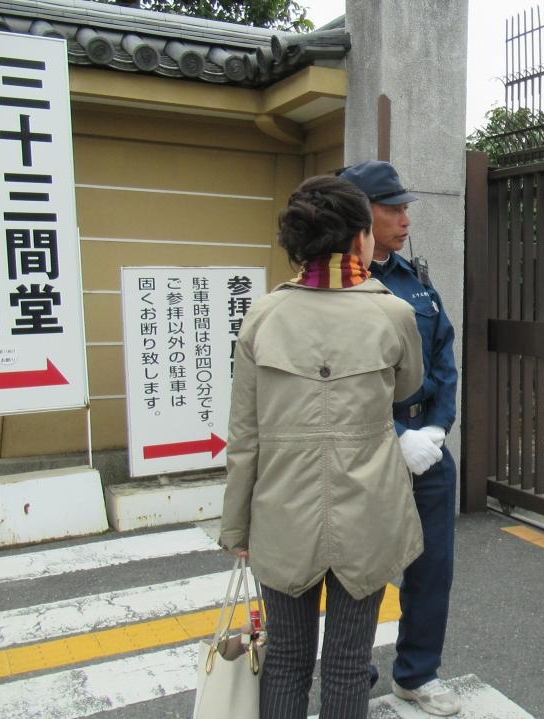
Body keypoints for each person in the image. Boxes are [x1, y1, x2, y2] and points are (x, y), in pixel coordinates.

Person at [219, 175, 425, 719]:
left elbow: (245, 436)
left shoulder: (262, 317)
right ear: (360, 238)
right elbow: (408, 388)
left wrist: (237, 528)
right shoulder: (394, 313)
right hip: (368, 511)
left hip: (282, 514)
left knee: (287, 661)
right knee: (348, 663)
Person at [339, 160, 461, 717]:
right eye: (392, 208)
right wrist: (396, 436)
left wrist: (435, 427)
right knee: (360, 569)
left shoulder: (415, 279)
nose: (405, 218)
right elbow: (341, 384)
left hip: (426, 445)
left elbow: (444, 356)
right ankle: (352, 674)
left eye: (406, 207)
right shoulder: (341, 285)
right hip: (368, 446)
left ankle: (417, 673)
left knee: (432, 566)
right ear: (361, 214)